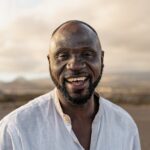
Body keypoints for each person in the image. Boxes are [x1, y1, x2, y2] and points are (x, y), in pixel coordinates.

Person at [0, 20, 141, 150]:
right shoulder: (16, 130)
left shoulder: (125, 126)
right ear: (50, 62)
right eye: (63, 56)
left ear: (101, 59)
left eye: (87, 54)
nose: (75, 65)